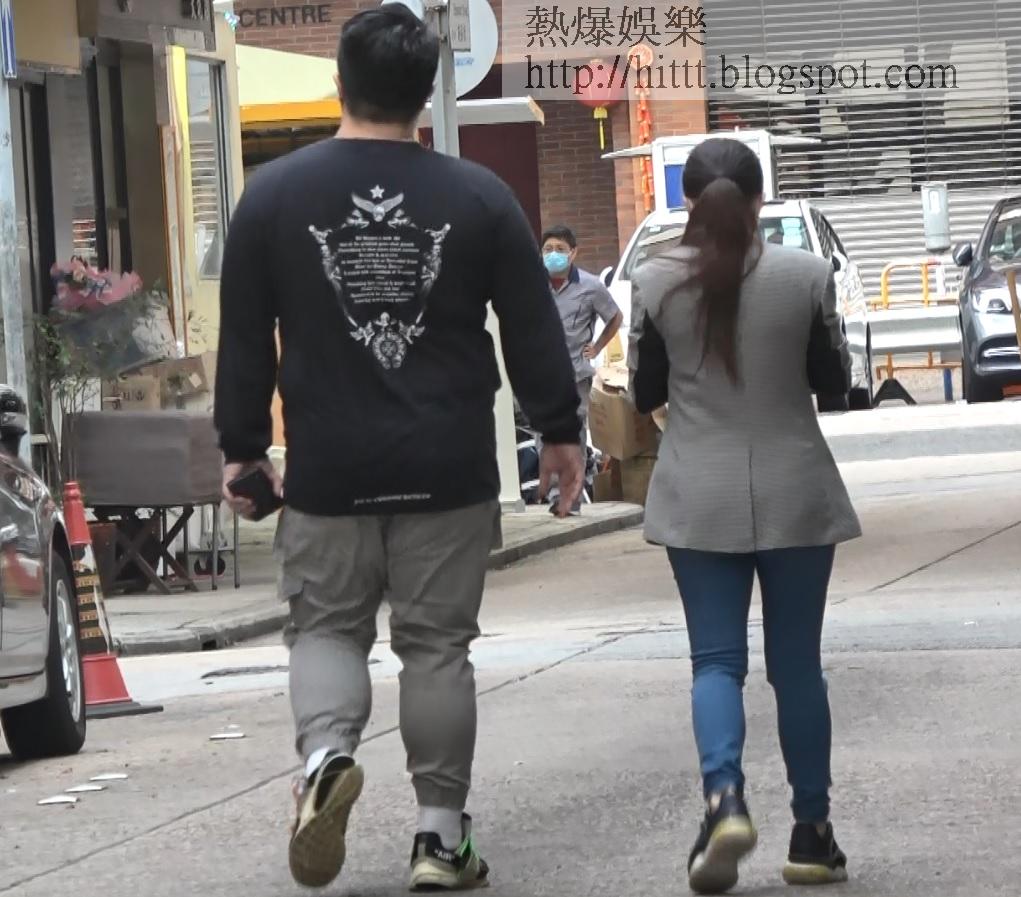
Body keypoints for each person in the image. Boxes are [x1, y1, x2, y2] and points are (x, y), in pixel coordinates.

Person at [214, 6, 584, 891]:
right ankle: (438, 837)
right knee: (436, 647)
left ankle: (325, 760)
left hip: (327, 468)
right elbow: (531, 326)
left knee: (325, 628)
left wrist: (243, 447)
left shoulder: (272, 197)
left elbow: (244, 336)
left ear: (338, 82)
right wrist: (559, 431)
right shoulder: (480, 197)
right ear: (429, 91)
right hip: (447, 465)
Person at [627, 138, 861, 895]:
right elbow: (833, 380)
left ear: (686, 202)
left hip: (697, 493)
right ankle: (811, 834)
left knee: (715, 663)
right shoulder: (807, 275)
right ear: (761, 199)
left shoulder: (653, 280)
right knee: (797, 666)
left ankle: (724, 798)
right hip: (795, 487)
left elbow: (641, 392)